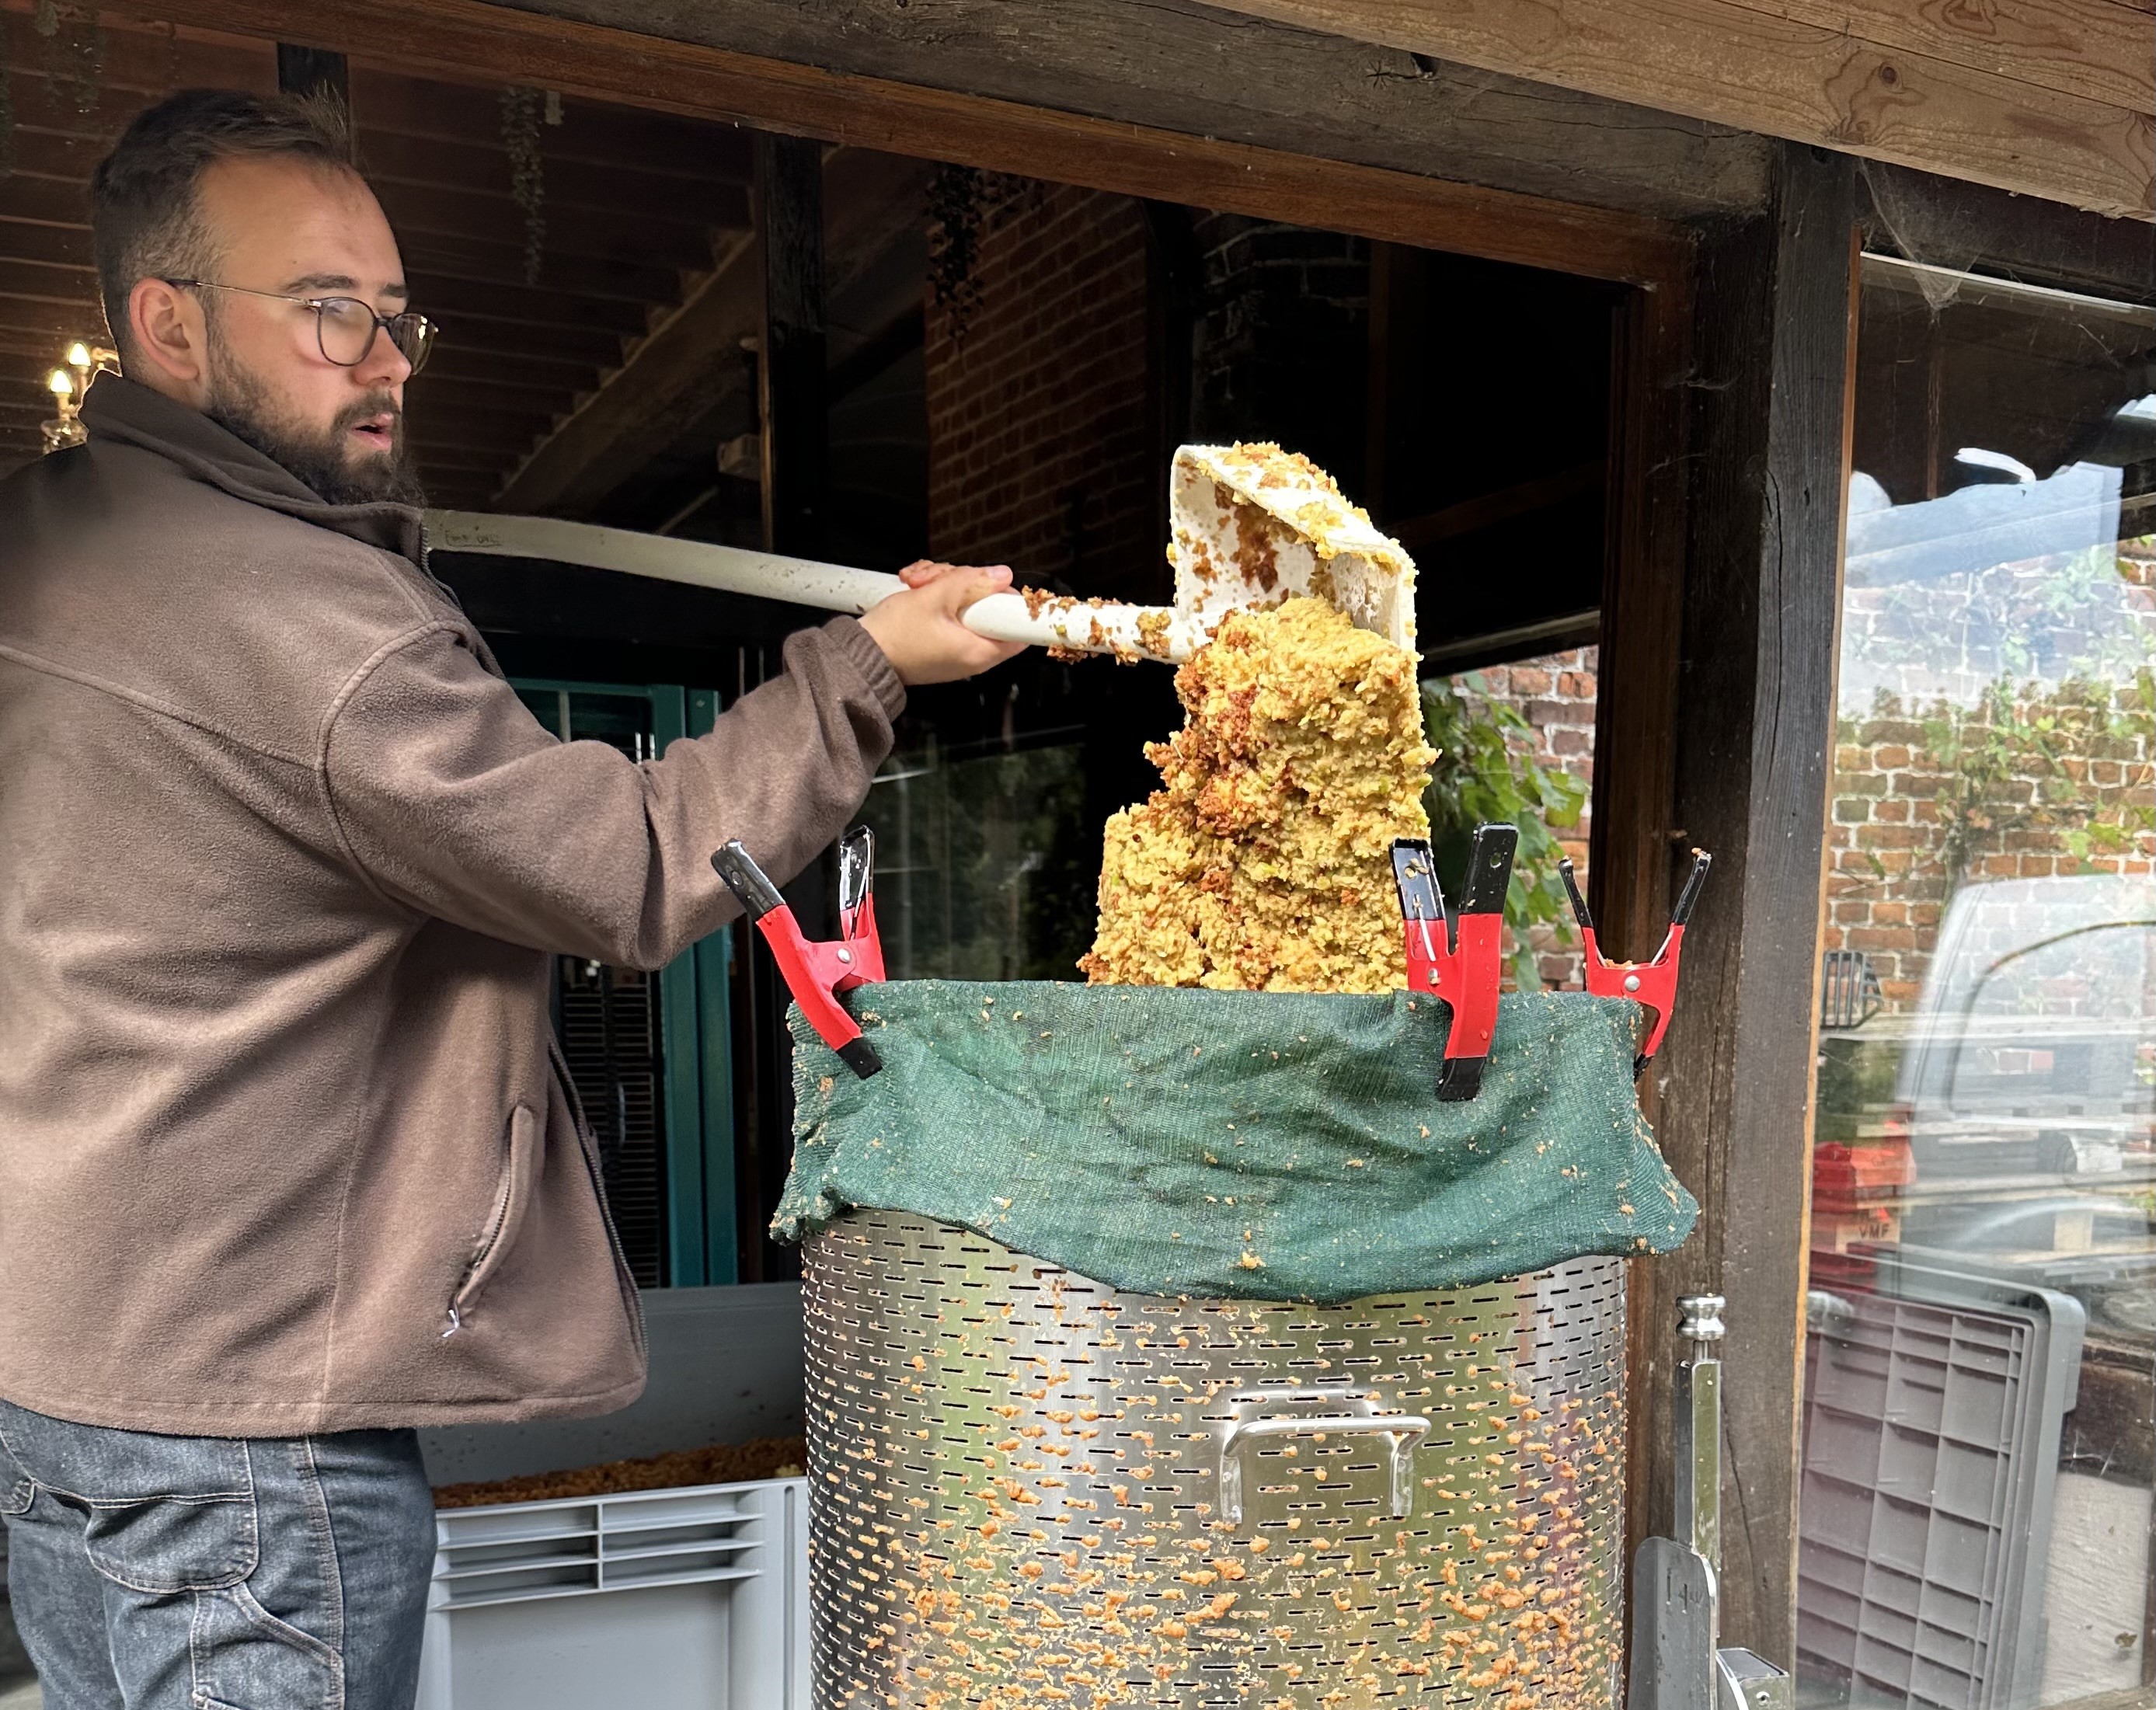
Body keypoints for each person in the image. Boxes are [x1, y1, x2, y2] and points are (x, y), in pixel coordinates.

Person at [0, 88, 1020, 1708]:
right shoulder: (303, 624)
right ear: (165, 325)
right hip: (254, 1451)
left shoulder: (48, 542)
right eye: (330, 309)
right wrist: (862, 671)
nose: (390, 355)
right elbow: (627, 862)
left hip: (65, 1395)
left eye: (396, 311)